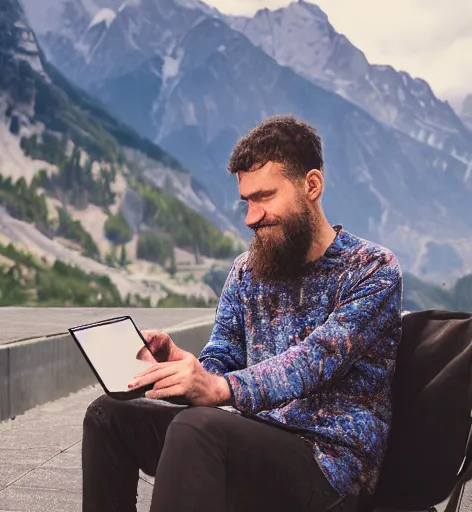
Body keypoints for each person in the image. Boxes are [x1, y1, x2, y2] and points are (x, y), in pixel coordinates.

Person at [82, 115, 403, 512]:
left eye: (265, 197)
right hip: (253, 437)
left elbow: (313, 360)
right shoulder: (248, 270)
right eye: (247, 202)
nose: (251, 217)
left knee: (196, 430)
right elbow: (223, 356)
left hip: (329, 466)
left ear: (312, 186)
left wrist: (220, 389)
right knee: (108, 416)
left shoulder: (372, 269)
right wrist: (186, 366)